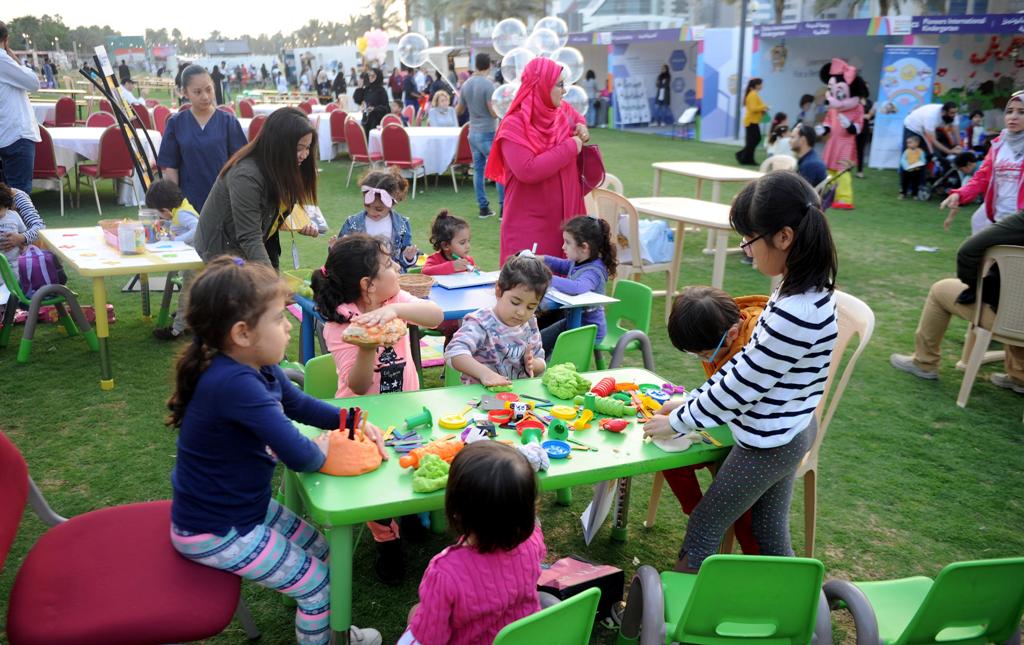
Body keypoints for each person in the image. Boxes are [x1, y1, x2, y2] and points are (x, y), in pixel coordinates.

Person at [166, 257, 384, 645]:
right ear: (243, 333)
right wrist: (322, 447)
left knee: (325, 551)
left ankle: (323, 622)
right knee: (318, 585)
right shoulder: (235, 384)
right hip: (215, 529)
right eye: (281, 318)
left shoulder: (258, 367)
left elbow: (300, 405)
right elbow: (302, 455)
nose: (289, 326)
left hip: (244, 506)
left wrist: (352, 421)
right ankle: (322, 621)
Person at [642, 171, 838, 571]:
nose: (746, 251)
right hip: (785, 430)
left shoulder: (796, 313)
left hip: (771, 442)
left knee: (704, 524)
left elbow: (741, 386)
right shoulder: (797, 289)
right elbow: (745, 371)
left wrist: (679, 421)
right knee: (767, 531)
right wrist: (690, 402)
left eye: (749, 241)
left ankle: (683, 618)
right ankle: (797, 604)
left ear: (784, 237)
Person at [311, 234, 442, 584]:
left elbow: (435, 315)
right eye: (388, 265)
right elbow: (355, 385)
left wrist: (395, 309)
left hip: (405, 406)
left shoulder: (395, 298)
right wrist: (368, 344)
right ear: (368, 285)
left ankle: (411, 513)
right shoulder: (340, 324)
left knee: (411, 458)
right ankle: (386, 540)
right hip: (361, 416)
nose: (397, 267)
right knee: (373, 475)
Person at [399, 442, 546, 645]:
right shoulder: (534, 540)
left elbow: (430, 639)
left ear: (455, 510)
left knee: (415, 612)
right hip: (520, 637)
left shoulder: (444, 572)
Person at [659, 286, 770, 556]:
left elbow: (730, 392)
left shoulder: (752, 349)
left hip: (751, 441)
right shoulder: (727, 331)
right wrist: (685, 405)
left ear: (731, 335)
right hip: (726, 423)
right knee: (669, 455)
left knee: (743, 513)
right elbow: (718, 387)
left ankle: (749, 555)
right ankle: (703, 519)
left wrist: (682, 416)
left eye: (702, 353)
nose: (701, 359)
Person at [890, 214, 1024, 393]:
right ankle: (1019, 376)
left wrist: (976, 287)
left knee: (940, 290)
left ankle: (924, 362)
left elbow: (968, 250)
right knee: (1013, 299)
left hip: (1008, 317)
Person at [486, 57, 588, 262]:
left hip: (565, 223)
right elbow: (528, 170)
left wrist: (582, 128)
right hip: (530, 225)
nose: (565, 90)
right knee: (528, 285)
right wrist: (570, 146)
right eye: (559, 85)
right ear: (543, 86)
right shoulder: (514, 125)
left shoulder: (558, 112)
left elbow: (577, 119)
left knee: (563, 287)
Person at [194, 107, 320, 269]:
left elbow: (270, 214)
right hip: (221, 253)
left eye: (308, 147)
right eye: (298, 149)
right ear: (278, 144)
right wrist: (271, 282)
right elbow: (249, 237)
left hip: (257, 245)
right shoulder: (246, 176)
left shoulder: (285, 168)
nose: (304, 155)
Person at [445, 254, 550, 386]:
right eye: (515, 302)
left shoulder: (530, 323)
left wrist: (533, 364)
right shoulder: (481, 322)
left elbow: (541, 361)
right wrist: (485, 374)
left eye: (531, 307)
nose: (522, 312)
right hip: (480, 398)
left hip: (517, 399)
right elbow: (454, 353)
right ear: (499, 291)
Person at [157, 65, 247, 213]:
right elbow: (171, 167)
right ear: (185, 92)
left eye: (208, 89)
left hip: (224, 200)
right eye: (197, 92)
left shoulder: (228, 122)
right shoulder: (176, 123)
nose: (205, 96)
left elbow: (240, 164)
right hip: (189, 202)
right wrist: (173, 203)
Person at [940, 92, 1024, 235]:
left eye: (1022, 112)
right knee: (973, 247)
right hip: (997, 217)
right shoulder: (998, 144)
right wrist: (960, 194)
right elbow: (982, 177)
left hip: (1019, 222)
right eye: (1009, 111)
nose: (1013, 116)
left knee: (969, 253)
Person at [538, 215, 616, 357]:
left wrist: (545, 278)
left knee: (540, 347)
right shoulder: (579, 261)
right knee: (538, 342)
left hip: (588, 330)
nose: (563, 247)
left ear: (584, 247)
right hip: (572, 322)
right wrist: (539, 259)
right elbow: (561, 265)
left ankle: (545, 370)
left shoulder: (594, 271)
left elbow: (577, 287)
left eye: (567, 243)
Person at [146, 180, 200, 340]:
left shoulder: (182, 214)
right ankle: (189, 319)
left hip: (195, 261)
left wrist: (176, 241)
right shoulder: (179, 210)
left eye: (159, 213)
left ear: (165, 210)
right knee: (190, 292)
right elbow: (179, 224)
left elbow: (197, 228)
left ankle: (177, 329)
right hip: (191, 259)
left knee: (187, 292)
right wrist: (167, 223)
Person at [339, 169, 420, 271]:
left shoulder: (402, 224)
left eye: (379, 209)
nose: (372, 212)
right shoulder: (352, 223)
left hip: (390, 276)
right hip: (361, 275)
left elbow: (403, 261)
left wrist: (408, 257)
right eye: (367, 206)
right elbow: (340, 256)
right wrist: (336, 248)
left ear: (392, 204)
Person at [457, 53, 504, 219]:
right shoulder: (488, 85)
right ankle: (503, 209)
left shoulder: (466, 84)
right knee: (499, 170)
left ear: (476, 64)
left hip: (473, 132)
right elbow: (493, 112)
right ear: (488, 66)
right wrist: (502, 109)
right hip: (487, 132)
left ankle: (483, 208)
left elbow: (459, 110)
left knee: (478, 170)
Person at [0, 21, 40, 195]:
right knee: (20, 198)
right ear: (6, 39)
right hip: (16, 134)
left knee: (7, 202)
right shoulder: (3, 59)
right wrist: (17, 61)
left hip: (6, 134)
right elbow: (34, 83)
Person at [422, 209, 476, 276]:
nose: (468, 246)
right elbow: (425, 272)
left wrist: (474, 273)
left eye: (468, 241)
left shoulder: (468, 261)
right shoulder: (435, 259)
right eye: (462, 243)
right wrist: (452, 266)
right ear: (445, 245)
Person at [735, 78, 767, 166]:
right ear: (756, 85)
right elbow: (753, 108)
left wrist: (762, 109)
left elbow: (755, 108)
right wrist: (764, 106)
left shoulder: (754, 94)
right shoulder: (753, 94)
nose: (762, 86)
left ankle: (744, 157)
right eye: (761, 84)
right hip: (751, 122)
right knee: (754, 140)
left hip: (753, 121)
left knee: (753, 140)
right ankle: (745, 157)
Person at [0, 183, 26, 282]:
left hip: (14, 262)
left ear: (7, 206)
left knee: (16, 285)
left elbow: (24, 233)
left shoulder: (14, 216)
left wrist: (21, 242)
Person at [353, 68, 389, 133]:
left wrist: (374, 109)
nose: (370, 77)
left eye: (373, 76)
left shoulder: (381, 91)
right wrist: (359, 88)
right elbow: (357, 100)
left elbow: (386, 108)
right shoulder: (367, 89)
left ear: (378, 77)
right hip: (366, 120)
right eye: (369, 75)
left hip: (376, 121)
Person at [899, 135, 927, 200]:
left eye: (910, 142)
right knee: (904, 182)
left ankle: (915, 194)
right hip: (907, 170)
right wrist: (906, 166)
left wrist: (919, 164)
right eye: (907, 143)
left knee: (916, 183)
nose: (908, 144)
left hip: (916, 170)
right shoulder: (906, 151)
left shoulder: (920, 152)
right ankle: (903, 193)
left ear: (916, 143)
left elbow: (923, 160)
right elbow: (903, 159)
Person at [855, 93, 875, 178]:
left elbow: (870, 116)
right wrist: (863, 115)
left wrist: (866, 115)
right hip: (854, 128)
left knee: (861, 151)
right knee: (850, 150)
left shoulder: (869, 102)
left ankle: (860, 171)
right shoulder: (853, 101)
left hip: (864, 130)